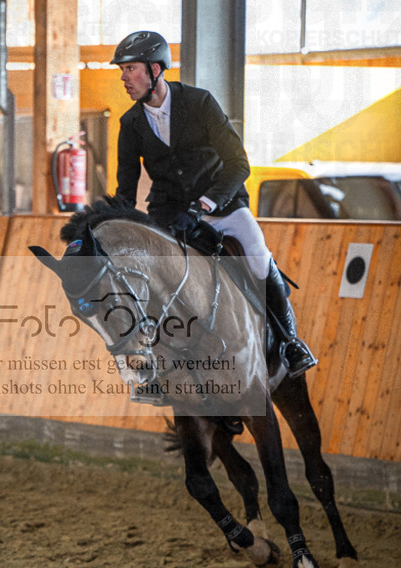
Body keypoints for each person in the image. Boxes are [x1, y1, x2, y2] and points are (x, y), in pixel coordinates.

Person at [111, 29, 317, 377]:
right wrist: (110, 227)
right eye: (123, 70)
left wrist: (205, 204)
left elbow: (239, 164)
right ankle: (153, 365)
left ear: (156, 69)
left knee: (257, 259)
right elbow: (125, 192)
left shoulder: (199, 103)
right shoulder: (130, 124)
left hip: (223, 206)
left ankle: (290, 342)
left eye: (131, 68)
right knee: (148, 278)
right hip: (170, 216)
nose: (124, 77)